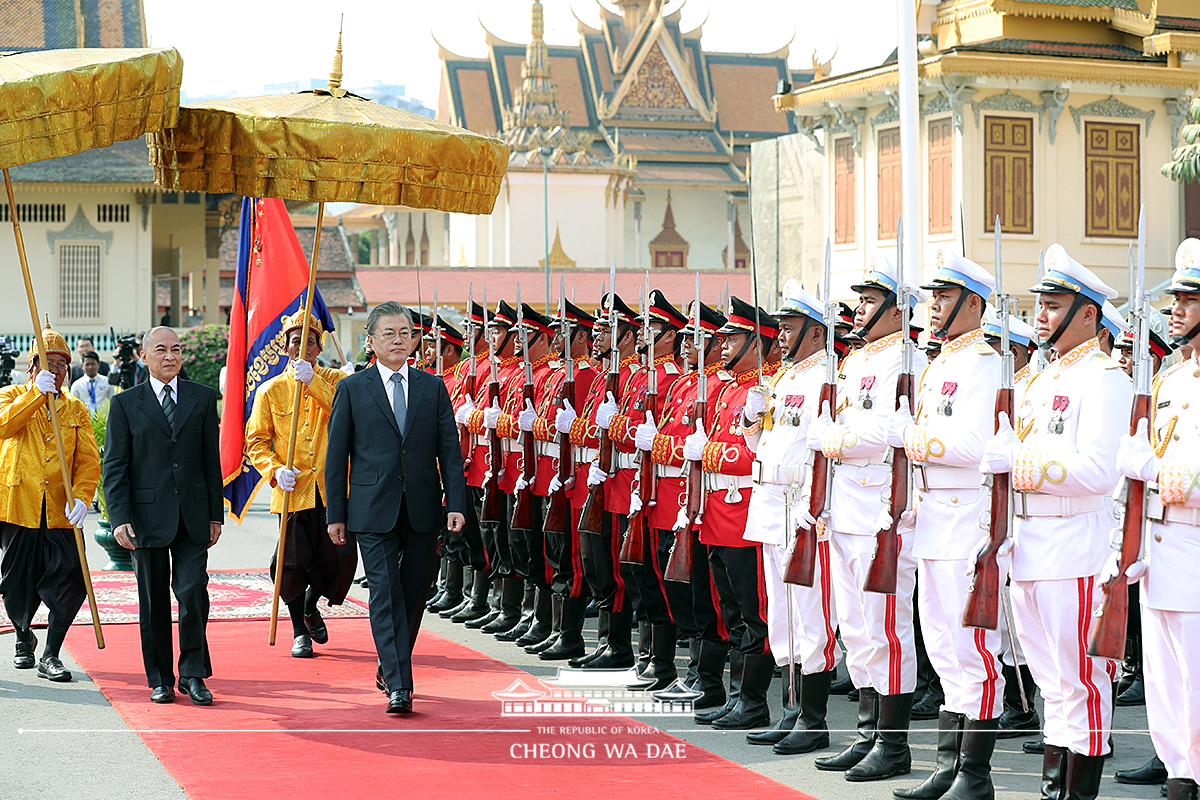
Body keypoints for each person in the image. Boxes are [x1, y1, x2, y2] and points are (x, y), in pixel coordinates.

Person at [979, 244, 1131, 798]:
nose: (1040, 314)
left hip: (1075, 544)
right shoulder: (1037, 381)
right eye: (1039, 303)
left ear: (1087, 312)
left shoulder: (1105, 379)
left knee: (1082, 682)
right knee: (1051, 684)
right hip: (1031, 543)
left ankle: (1076, 794)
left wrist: (1016, 461)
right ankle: (1054, 789)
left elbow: (1097, 471)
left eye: (1054, 303)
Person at [888, 250, 1005, 800]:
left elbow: (977, 445)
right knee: (940, 643)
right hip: (933, 515)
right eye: (933, 296)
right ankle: (948, 764)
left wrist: (914, 439)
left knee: (970, 648)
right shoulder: (940, 364)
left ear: (972, 304)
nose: (933, 306)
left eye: (944, 297)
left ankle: (974, 774)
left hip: (965, 517)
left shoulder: (984, 365)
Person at [809, 255, 928, 782]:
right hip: (846, 507)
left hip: (884, 509)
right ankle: (866, 733)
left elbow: (888, 432)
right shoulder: (855, 363)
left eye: (869, 301)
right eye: (858, 301)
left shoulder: (909, 362)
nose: (858, 310)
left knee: (887, 628)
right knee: (855, 626)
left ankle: (893, 743)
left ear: (897, 309)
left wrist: (838, 439)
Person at [325, 301, 466, 714]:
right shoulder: (352, 388)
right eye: (389, 333)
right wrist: (337, 513)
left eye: (405, 332)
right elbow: (337, 457)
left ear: (414, 339)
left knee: (413, 593)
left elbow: (450, 452)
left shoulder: (431, 386)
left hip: (423, 505)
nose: (398, 340)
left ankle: (391, 664)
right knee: (384, 593)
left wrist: (455, 502)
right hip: (372, 506)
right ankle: (401, 685)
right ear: (370, 341)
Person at [1113, 239, 1200, 800]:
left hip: (1194, 545)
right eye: (1174, 300)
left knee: (1195, 676)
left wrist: (1157, 469)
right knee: (1166, 681)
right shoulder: (1169, 379)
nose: (1174, 311)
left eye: (1188, 302)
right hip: (1159, 545)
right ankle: (1180, 774)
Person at [741, 282, 840, 756]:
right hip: (769, 500)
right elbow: (759, 447)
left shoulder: (827, 376)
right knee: (780, 615)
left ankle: (814, 719)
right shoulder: (780, 378)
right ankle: (790, 710)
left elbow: (826, 450)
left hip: (800, 505)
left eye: (791, 326)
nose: (781, 334)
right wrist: (752, 423)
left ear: (816, 331)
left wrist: (813, 506)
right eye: (781, 326)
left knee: (810, 614)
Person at [104, 327, 224, 705]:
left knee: (193, 593)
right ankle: (159, 677)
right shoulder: (125, 404)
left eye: (176, 349)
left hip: (193, 515)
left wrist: (215, 514)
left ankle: (193, 674)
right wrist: (119, 516)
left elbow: (210, 462)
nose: (170, 356)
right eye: (161, 349)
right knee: (153, 600)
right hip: (145, 519)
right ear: (144, 355)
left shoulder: (202, 399)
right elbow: (115, 466)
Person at [684, 296, 782, 731]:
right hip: (717, 513)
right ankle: (738, 696)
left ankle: (754, 702)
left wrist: (705, 451)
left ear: (758, 342)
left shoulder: (765, 388)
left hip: (744, 514)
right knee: (729, 612)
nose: (722, 344)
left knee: (753, 612)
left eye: (733, 337)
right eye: (722, 337)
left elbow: (750, 458)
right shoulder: (726, 389)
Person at [244, 310, 356, 659]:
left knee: (339, 560)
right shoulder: (270, 391)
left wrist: (314, 383)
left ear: (319, 346)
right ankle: (298, 631)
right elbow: (256, 442)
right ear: (286, 346)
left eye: (309, 341)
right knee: (291, 564)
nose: (303, 346)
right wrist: (275, 470)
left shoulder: (338, 380)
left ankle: (312, 605)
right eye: (296, 341)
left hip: (333, 489)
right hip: (292, 491)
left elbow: (346, 414)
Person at [0, 324, 100, 682]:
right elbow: (2, 428)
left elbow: (88, 461)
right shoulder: (10, 395)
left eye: (61, 365)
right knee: (17, 583)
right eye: (47, 363)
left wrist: (84, 499)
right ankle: (23, 638)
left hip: (61, 509)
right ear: (32, 367)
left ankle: (51, 654)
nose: (55, 370)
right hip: (18, 506)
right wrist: (32, 397)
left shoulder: (75, 409)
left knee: (72, 578)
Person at [69, 351, 116, 415]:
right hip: (84, 422)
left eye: (93, 364)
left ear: (99, 364)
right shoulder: (77, 385)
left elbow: (113, 401)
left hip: (104, 421)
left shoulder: (107, 382)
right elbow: (73, 406)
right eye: (87, 364)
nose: (90, 367)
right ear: (82, 366)